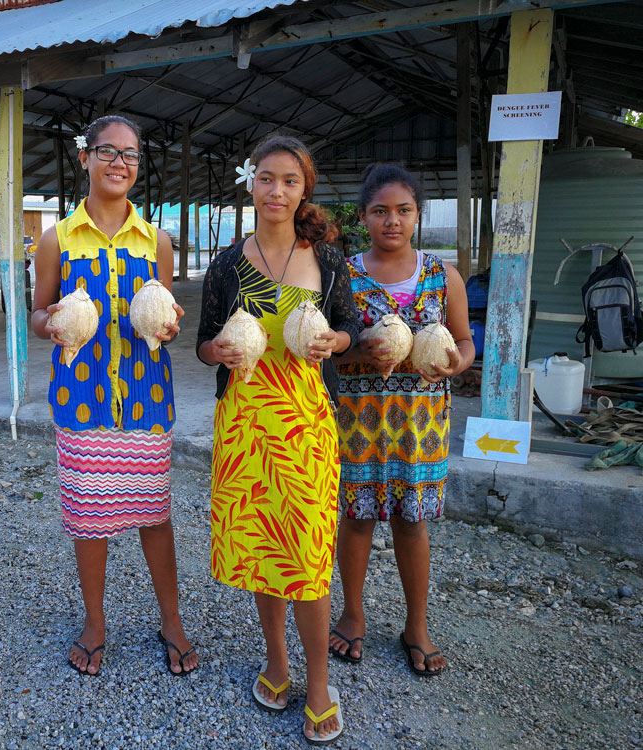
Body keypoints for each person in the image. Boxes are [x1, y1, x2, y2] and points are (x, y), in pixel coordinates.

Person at [196, 135, 360, 745]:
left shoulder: (328, 258)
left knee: (311, 555)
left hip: (308, 423)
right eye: (266, 178)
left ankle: (318, 682)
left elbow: (349, 326)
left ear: (303, 189)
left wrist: (335, 344)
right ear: (251, 184)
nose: (276, 190)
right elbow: (204, 341)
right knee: (267, 549)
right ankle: (276, 661)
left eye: (289, 180)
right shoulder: (226, 264)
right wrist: (215, 349)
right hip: (246, 425)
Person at [31, 115, 198, 677]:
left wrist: (169, 326)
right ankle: (95, 620)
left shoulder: (158, 242)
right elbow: (36, 312)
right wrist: (50, 322)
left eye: (129, 154)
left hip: (147, 394)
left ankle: (170, 618)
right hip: (82, 394)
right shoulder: (57, 238)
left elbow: (163, 311)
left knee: (155, 515)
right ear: (85, 158)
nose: (119, 163)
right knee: (89, 518)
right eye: (107, 151)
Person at [329, 163, 474, 677]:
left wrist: (457, 361)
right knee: (358, 517)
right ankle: (351, 613)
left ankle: (417, 625)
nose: (393, 221)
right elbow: (328, 353)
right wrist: (360, 351)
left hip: (420, 423)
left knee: (413, 522)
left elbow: (464, 342)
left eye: (404, 211)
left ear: (418, 214)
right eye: (380, 211)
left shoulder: (443, 275)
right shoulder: (342, 275)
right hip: (361, 419)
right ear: (364, 216)